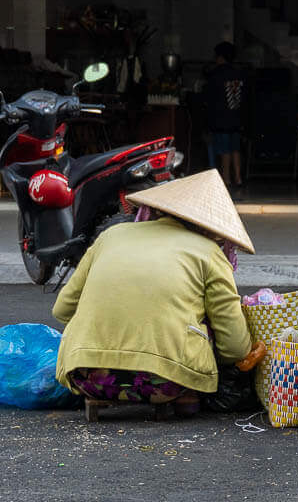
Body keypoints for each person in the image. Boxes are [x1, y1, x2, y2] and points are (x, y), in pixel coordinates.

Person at [52, 170, 259, 416]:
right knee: (208, 325)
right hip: (165, 383)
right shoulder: (208, 252)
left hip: (85, 377)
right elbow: (235, 347)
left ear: (157, 209)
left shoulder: (110, 236)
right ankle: (187, 399)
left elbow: (62, 310)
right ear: (210, 227)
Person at [206, 41, 244, 193]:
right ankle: (238, 178)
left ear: (220, 57)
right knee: (235, 148)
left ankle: (226, 178)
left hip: (221, 118)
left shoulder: (216, 74)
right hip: (237, 117)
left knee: (224, 149)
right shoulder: (239, 73)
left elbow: (210, 97)